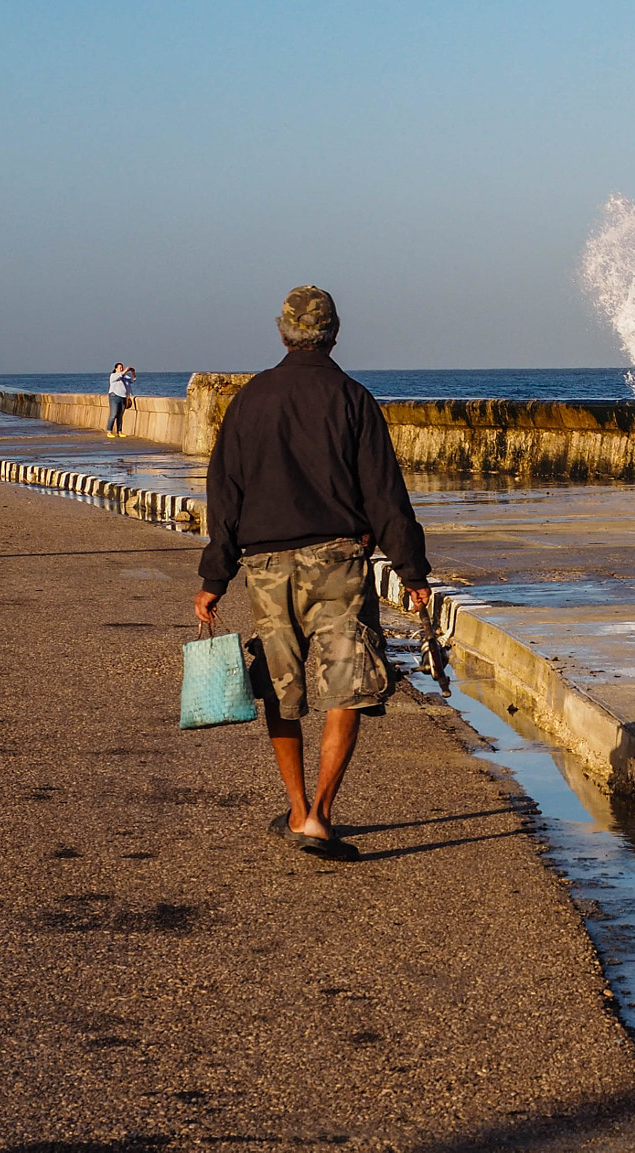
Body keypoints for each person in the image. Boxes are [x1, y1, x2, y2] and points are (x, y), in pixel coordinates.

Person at [192, 286, 432, 862]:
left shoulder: (251, 400)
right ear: (334, 332)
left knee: (283, 685)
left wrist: (213, 577)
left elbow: (224, 495)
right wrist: (413, 571)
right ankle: (320, 816)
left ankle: (297, 808)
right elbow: (384, 494)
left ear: (283, 331)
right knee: (345, 683)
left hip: (266, 566)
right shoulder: (352, 398)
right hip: (338, 562)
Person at [106, 363, 134, 437]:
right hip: (114, 396)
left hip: (123, 397)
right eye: (120, 368)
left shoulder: (125, 376)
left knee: (120, 415)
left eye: (122, 367)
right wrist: (125, 371)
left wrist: (133, 372)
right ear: (116, 369)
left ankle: (119, 431)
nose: (121, 369)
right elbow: (120, 375)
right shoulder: (113, 375)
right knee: (113, 414)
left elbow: (132, 380)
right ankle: (109, 431)